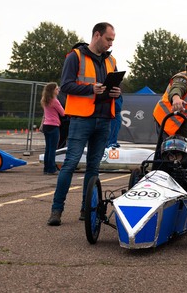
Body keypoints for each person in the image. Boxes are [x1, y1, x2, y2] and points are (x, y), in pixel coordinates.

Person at [47, 22, 121, 226]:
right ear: (97, 35)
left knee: (94, 168)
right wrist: (91, 89)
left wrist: (116, 92)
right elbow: (66, 86)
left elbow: (112, 86)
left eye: (112, 40)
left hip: (104, 119)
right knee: (70, 164)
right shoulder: (75, 57)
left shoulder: (112, 60)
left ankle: (86, 209)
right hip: (81, 119)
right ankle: (56, 210)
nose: (110, 43)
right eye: (108, 39)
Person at [40, 82, 65, 175]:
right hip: (54, 125)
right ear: (52, 91)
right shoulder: (55, 101)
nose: (58, 90)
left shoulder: (45, 100)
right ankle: (51, 169)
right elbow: (63, 113)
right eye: (56, 89)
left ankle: (46, 168)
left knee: (48, 148)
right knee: (53, 149)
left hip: (46, 125)